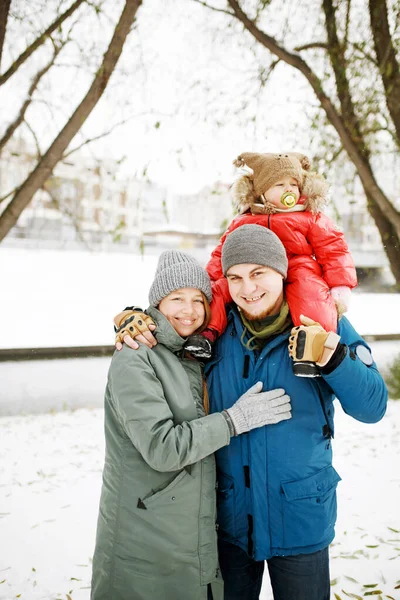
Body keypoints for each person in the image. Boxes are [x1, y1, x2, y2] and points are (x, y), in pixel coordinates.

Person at [116, 226, 387, 600]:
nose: (248, 288)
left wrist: (334, 358)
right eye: (235, 277)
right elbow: (170, 323)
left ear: (281, 272)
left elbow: (373, 407)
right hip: (229, 524)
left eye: (258, 273)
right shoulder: (215, 332)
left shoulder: (322, 321)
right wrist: (133, 319)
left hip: (300, 519)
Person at [91, 249, 292, 600]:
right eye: (177, 299)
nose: (189, 310)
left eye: (198, 300)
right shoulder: (136, 356)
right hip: (145, 529)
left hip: (187, 527)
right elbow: (162, 448)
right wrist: (234, 421)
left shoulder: (193, 352)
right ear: (157, 304)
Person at [185, 152, 357, 375]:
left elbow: (334, 249)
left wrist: (340, 285)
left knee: (311, 292)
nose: (289, 190)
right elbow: (223, 252)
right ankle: (205, 335)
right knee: (219, 290)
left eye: (294, 184)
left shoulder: (309, 217)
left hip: (296, 264)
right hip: (252, 267)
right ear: (261, 191)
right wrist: (209, 279)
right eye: (280, 184)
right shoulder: (245, 218)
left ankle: (312, 344)